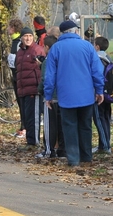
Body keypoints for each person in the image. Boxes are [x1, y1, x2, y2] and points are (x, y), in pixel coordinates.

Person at [44, 20, 104, 166]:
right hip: (86, 96)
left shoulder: (56, 49)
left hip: (66, 97)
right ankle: (86, 157)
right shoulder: (87, 47)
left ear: (62, 33)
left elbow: (50, 75)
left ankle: (73, 159)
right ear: (76, 31)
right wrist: (99, 90)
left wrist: (48, 95)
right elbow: (97, 70)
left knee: (69, 127)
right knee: (85, 126)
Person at [15, 27, 45, 150]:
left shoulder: (37, 50)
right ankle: (29, 141)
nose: (28, 38)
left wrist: (40, 87)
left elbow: (43, 68)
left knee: (34, 117)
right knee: (27, 117)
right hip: (23, 89)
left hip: (34, 89)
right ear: (21, 38)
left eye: (30, 36)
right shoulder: (20, 52)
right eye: (25, 36)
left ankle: (34, 143)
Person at [36, 35, 66, 158]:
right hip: (63, 97)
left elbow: (45, 79)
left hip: (51, 96)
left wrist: (40, 90)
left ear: (47, 47)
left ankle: (49, 149)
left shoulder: (47, 61)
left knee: (49, 125)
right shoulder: (62, 59)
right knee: (61, 124)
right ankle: (63, 150)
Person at [92, 36, 112, 154]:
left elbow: (97, 75)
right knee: (106, 119)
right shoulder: (108, 58)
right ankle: (104, 144)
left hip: (100, 95)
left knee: (99, 119)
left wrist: (97, 91)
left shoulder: (97, 59)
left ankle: (105, 146)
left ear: (97, 47)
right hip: (108, 94)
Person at [7, 18, 26, 138]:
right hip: (15, 77)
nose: (8, 29)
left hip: (20, 78)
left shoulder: (20, 42)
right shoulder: (14, 41)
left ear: (13, 28)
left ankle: (25, 128)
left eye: (9, 27)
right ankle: (22, 127)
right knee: (20, 103)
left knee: (22, 103)